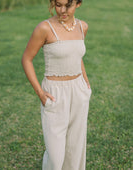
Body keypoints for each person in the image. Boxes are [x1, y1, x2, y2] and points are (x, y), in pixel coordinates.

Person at [22, 0, 92, 169]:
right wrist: (40, 93)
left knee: (75, 148)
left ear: (78, 4)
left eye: (68, 5)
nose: (62, 10)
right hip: (54, 93)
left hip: (78, 91)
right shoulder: (44, 28)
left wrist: (86, 84)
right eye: (58, 4)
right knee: (55, 156)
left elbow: (76, 56)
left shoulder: (82, 27)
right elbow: (27, 59)